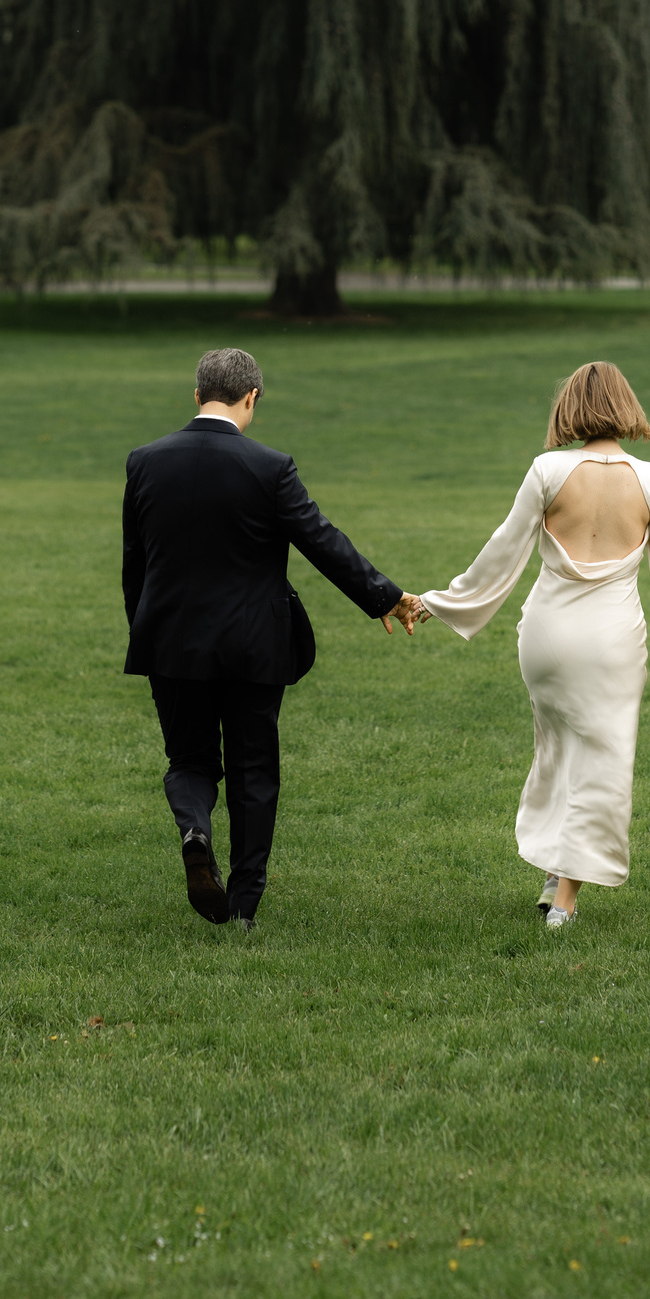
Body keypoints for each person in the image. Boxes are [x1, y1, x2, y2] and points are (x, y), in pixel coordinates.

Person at [121, 347, 424, 931]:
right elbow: (322, 542)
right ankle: (243, 905)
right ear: (252, 397)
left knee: (188, 759)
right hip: (252, 647)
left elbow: (136, 566)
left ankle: (194, 829)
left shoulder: (145, 462)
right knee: (253, 770)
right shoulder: (269, 467)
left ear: (196, 395)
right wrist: (384, 596)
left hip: (170, 643)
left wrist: (148, 633)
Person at [412, 362, 650, 929]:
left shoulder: (548, 470)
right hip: (612, 642)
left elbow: (502, 552)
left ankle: (555, 869)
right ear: (628, 408)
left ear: (569, 407)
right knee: (602, 761)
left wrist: (436, 602)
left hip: (545, 638)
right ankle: (565, 899)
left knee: (559, 748)